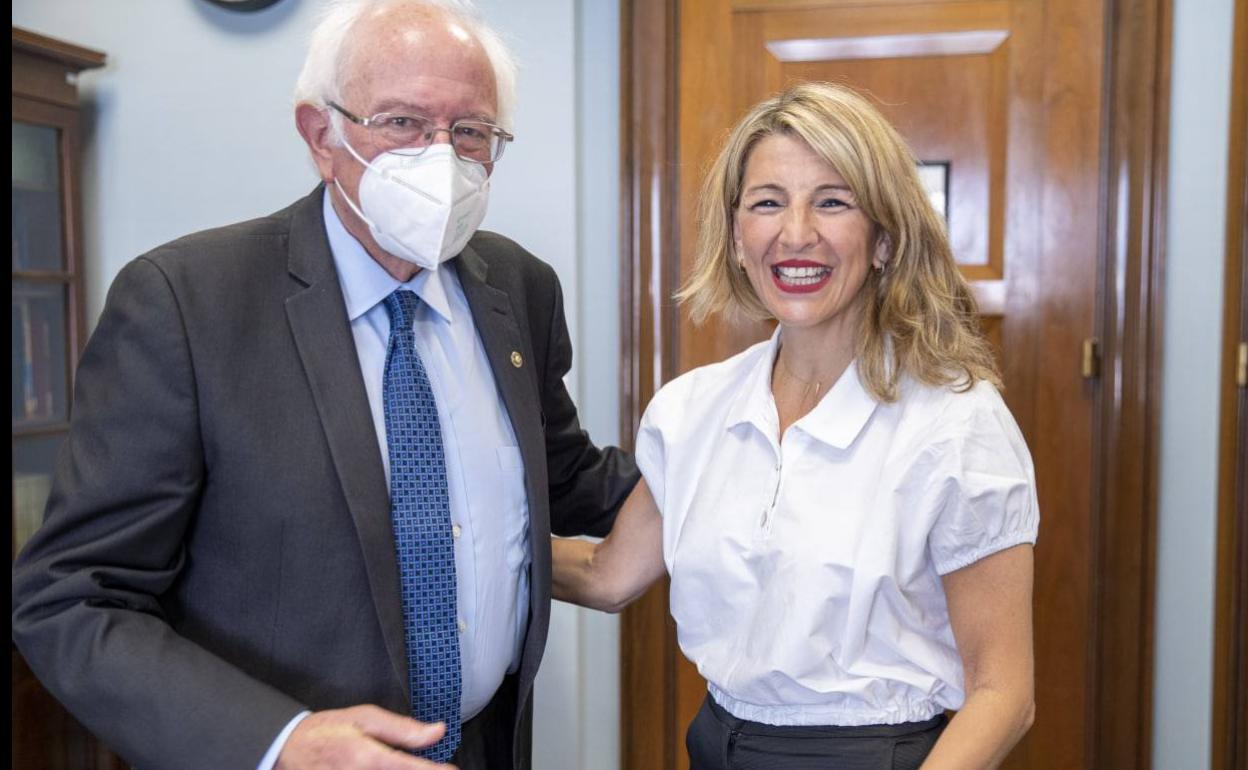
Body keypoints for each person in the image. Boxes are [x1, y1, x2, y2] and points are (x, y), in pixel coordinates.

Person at [10, 1, 638, 769]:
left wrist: (735, 434)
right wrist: (278, 743)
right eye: (403, 122)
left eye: (470, 131)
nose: (441, 158)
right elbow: (74, 596)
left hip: (481, 747)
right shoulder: (187, 303)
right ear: (321, 136)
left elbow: (564, 474)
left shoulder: (518, 287)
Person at [553, 82, 1038, 769]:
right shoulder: (692, 410)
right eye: (768, 202)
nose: (796, 232)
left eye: (833, 201)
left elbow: (1004, 691)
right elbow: (608, 574)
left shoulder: (957, 424)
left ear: (885, 240)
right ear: (737, 235)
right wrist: (458, 552)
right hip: (718, 745)